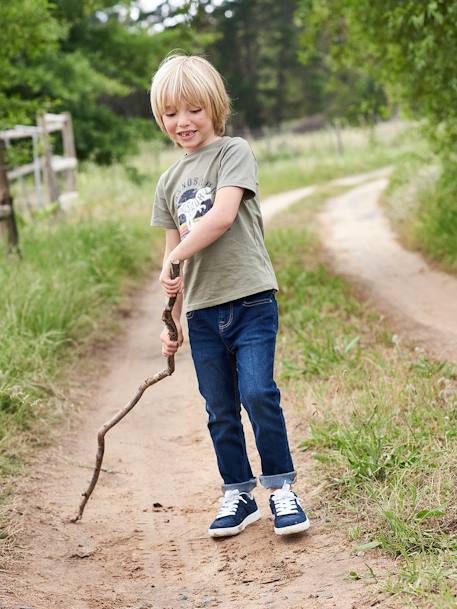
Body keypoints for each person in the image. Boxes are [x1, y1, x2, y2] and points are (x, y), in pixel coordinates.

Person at [149, 53, 310, 538]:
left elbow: (218, 219)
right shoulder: (167, 183)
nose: (183, 122)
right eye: (172, 113)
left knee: (258, 393)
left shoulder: (233, 152)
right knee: (219, 408)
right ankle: (238, 493)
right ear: (161, 119)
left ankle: (281, 487)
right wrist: (169, 320)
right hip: (201, 313)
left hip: (251, 301)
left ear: (215, 107)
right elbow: (173, 255)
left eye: (194, 109)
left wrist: (174, 259)